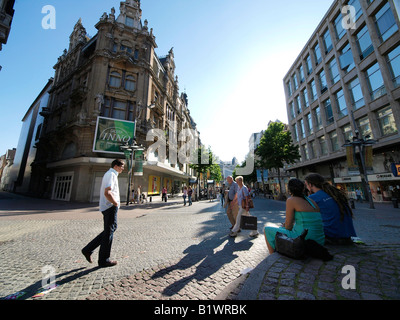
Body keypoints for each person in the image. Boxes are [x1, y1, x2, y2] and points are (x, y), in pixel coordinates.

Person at [82, 159, 125, 268]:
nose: (123, 168)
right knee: (109, 232)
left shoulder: (112, 174)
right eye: (122, 166)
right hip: (110, 207)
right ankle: (103, 260)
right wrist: (115, 203)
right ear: (116, 166)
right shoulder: (111, 174)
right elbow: (107, 192)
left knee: (110, 230)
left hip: (109, 207)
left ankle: (88, 250)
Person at [264, 178, 325, 254]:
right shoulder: (311, 201)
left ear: (290, 190)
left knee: (267, 229)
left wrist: (284, 226)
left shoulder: (291, 200)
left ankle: (272, 256)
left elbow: (288, 226)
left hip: (304, 238)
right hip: (319, 240)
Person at [304, 173, 357, 245]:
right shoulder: (335, 193)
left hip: (332, 234)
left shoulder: (313, 197)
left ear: (310, 185)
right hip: (347, 233)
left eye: (306, 185)